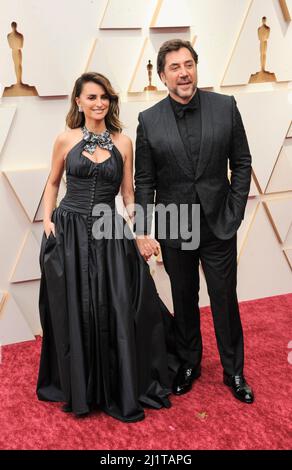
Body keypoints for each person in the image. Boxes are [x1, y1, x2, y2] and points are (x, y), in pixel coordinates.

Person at [36, 72, 177, 423]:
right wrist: (48, 219)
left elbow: (127, 195)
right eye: (92, 97)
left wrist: (140, 232)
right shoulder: (64, 139)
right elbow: (53, 182)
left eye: (105, 98)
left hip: (108, 230)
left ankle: (117, 382)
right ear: (78, 101)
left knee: (115, 304)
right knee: (77, 307)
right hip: (69, 230)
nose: (99, 103)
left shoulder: (123, 142)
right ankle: (81, 384)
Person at [135, 39, 254, 404]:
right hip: (175, 227)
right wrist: (143, 230)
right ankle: (189, 363)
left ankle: (234, 370)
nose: (184, 72)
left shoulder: (225, 107)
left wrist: (233, 211)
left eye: (189, 64)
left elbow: (243, 163)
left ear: (196, 67)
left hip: (219, 224)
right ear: (162, 75)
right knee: (184, 299)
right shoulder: (148, 120)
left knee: (224, 299)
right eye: (175, 67)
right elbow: (145, 182)